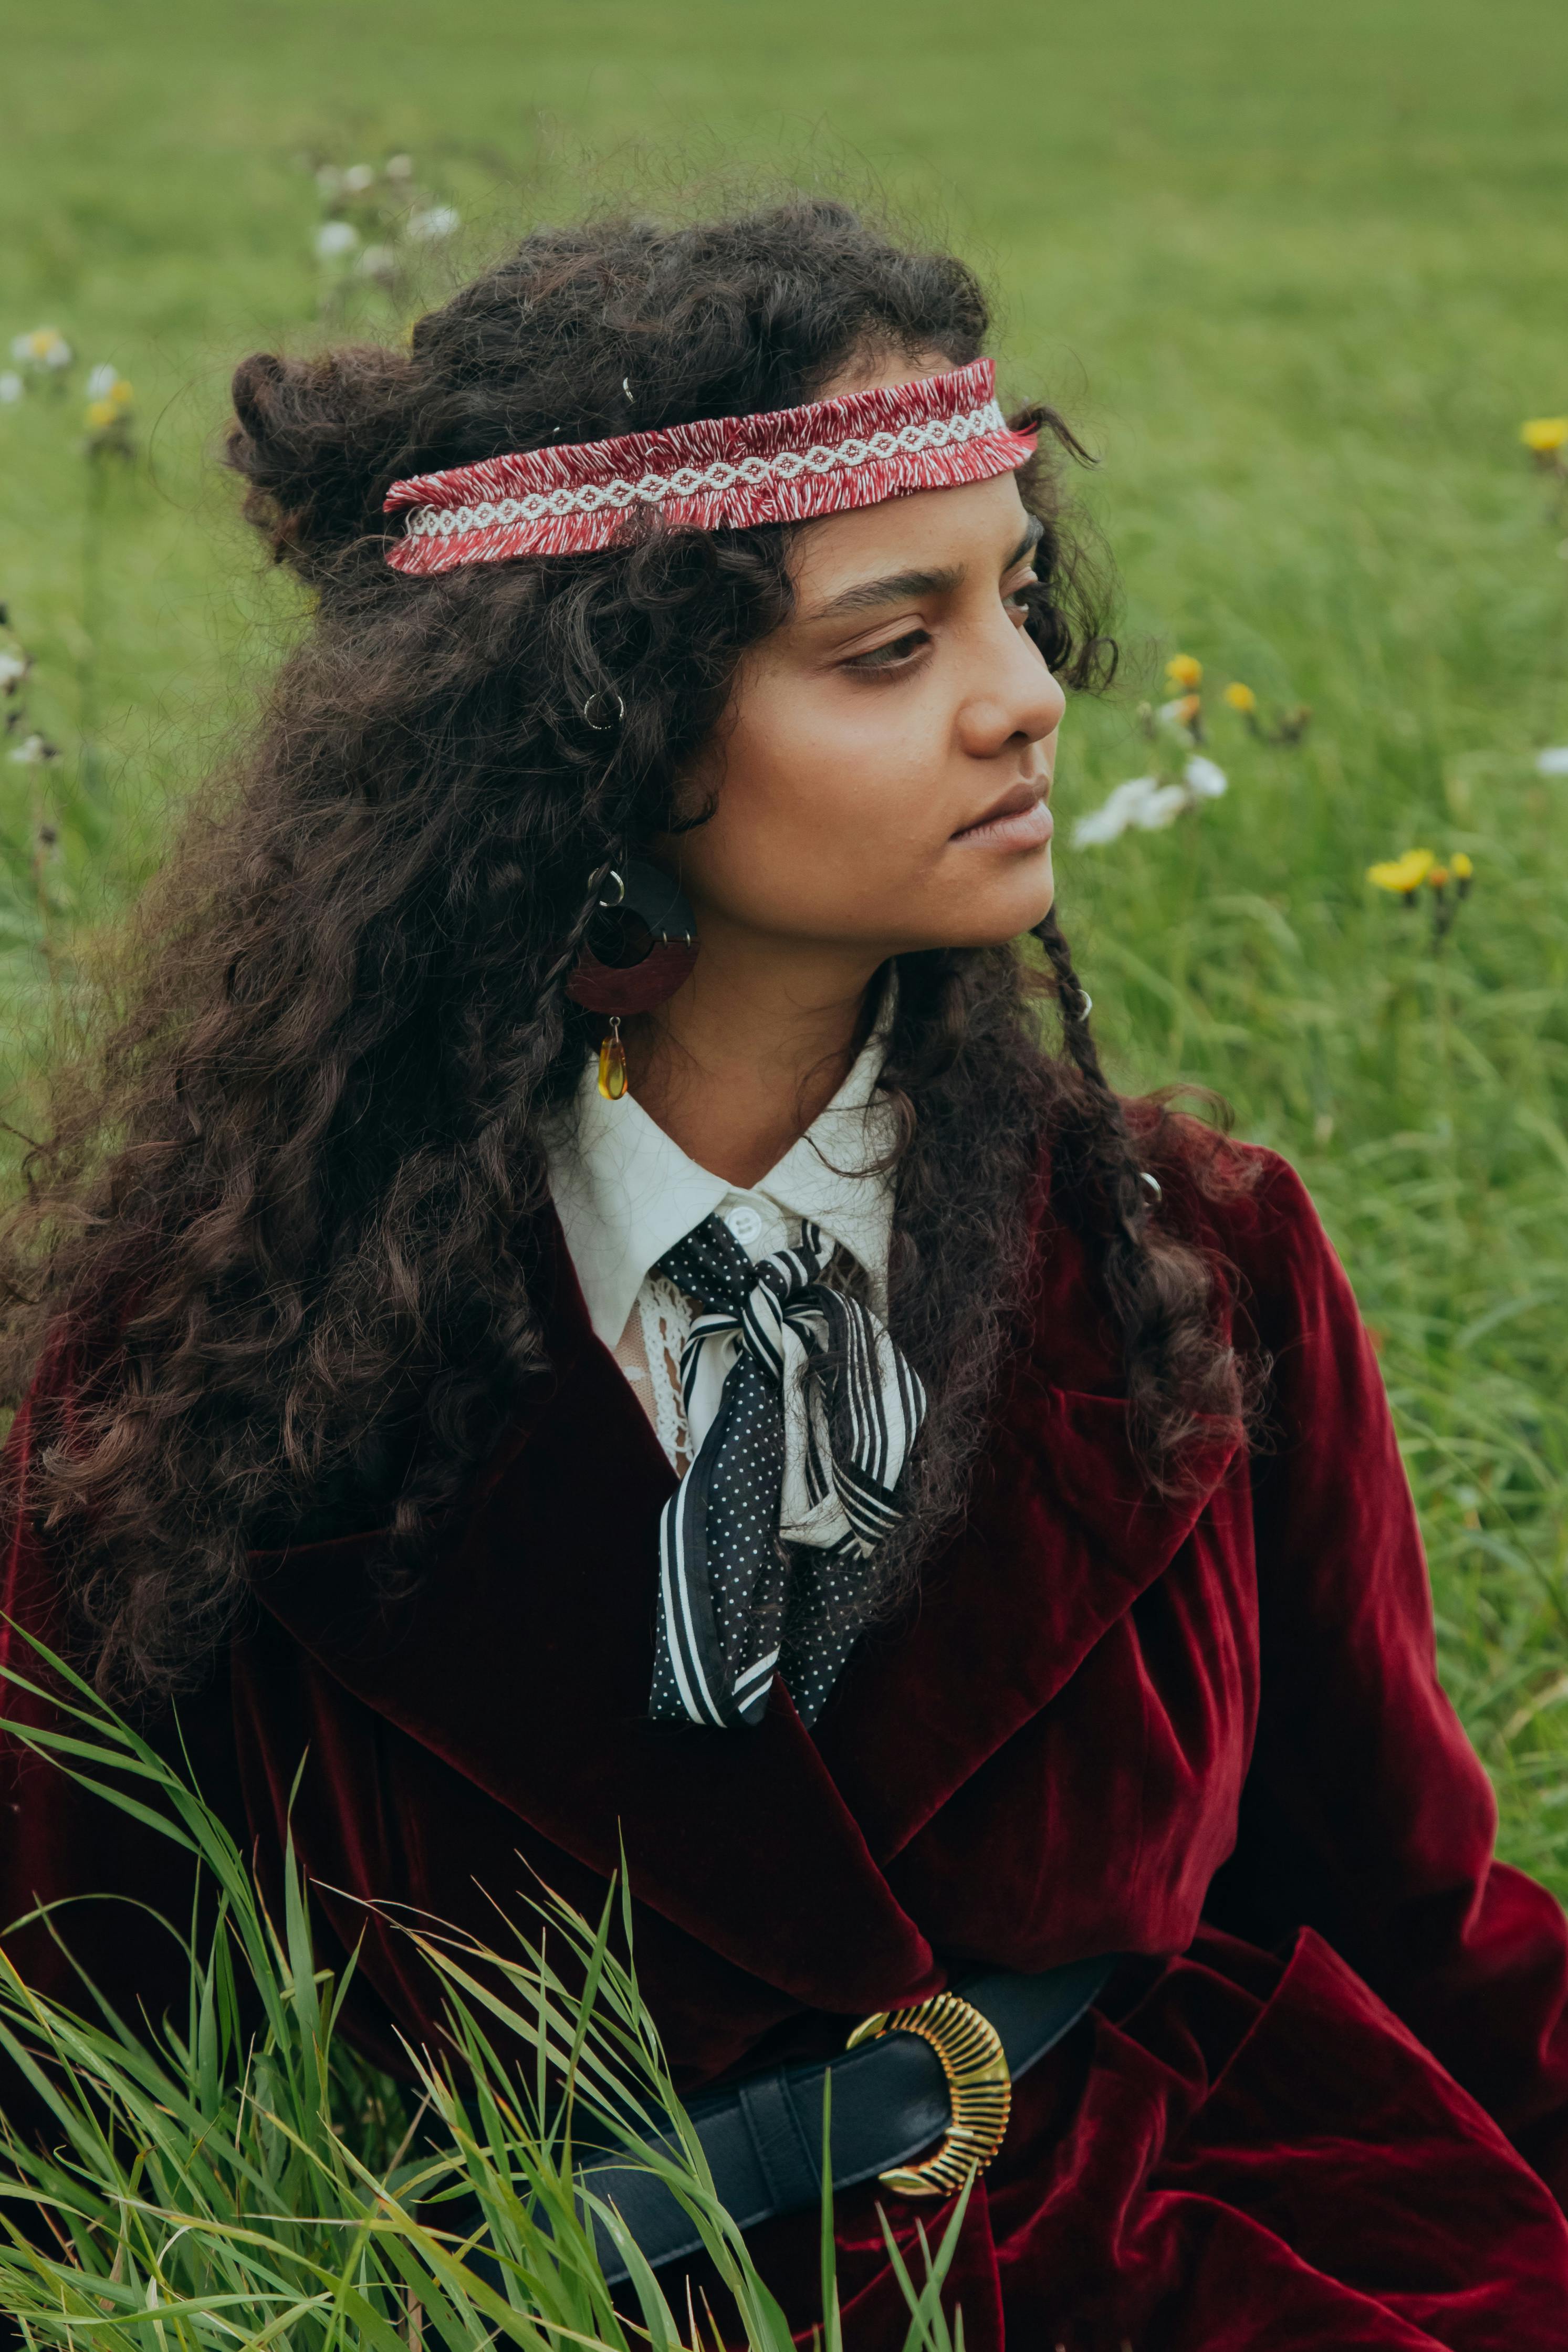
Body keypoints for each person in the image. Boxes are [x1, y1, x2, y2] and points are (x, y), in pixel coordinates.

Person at [3, 199, 1568, 2350]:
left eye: (1015, 593)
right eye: (889, 643)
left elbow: (1423, 1915)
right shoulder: (212, 1369)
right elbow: (68, 2075)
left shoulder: (1207, 1261)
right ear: (614, 733)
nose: (1028, 701)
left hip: (1246, 2269)